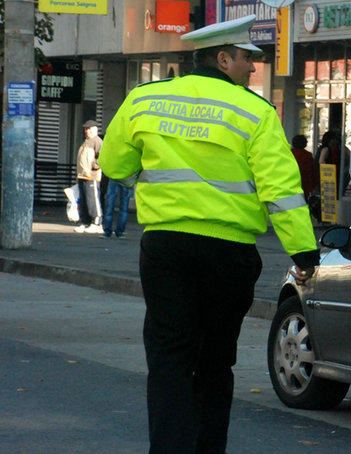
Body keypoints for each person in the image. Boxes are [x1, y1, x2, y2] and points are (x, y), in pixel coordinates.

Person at [98, 15, 319, 454]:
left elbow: (114, 167)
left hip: (165, 250)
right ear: (222, 58)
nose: (253, 69)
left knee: (169, 360)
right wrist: (304, 254)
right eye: (247, 59)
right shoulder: (254, 112)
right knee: (216, 363)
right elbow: (281, 190)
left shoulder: (144, 99)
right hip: (228, 254)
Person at [74, 120, 104, 234]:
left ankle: (97, 223)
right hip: (82, 176)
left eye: (89, 129)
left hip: (92, 176)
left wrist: (94, 166)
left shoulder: (97, 141)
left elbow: (102, 157)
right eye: (86, 129)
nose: (87, 131)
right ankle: (85, 222)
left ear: (95, 129)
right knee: (83, 200)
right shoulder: (86, 141)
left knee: (93, 200)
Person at [290, 134, 319, 215]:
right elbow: (313, 171)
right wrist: (314, 184)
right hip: (305, 184)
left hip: (291, 182)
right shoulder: (308, 155)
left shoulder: (289, 154)